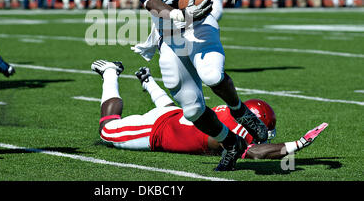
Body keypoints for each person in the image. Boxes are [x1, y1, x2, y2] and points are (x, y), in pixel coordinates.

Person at [119, 0, 267, 171]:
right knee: (192, 109)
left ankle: (239, 110)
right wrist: (175, 13)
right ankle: (231, 142)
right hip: (169, 30)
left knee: (211, 74)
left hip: (200, 22)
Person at [92, 60, 328, 160]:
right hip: (154, 131)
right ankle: (110, 72)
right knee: (107, 130)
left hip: (173, 116)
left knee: (179, 110)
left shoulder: (231, 113)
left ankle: (148, 82)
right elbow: (254, 152)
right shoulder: (227, 136)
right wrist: (298, 144)